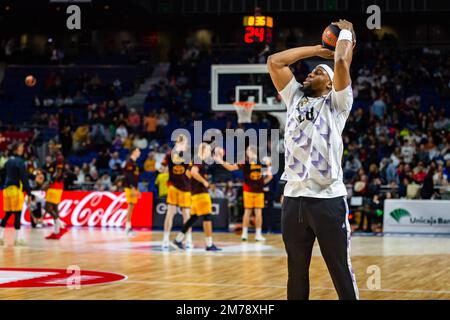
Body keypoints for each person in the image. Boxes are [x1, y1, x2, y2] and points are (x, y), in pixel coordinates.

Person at [267, 19, 359, 299]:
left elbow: (342, 61)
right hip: (293, 198)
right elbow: (275, 61)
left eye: (317, 72)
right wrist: (316, 51)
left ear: (330, 83)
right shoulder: (295, 97)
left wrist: (346, 33)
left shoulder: (338, 104)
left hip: (328, 198)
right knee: (296, 271)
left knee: (340, 271)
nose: (308, 74)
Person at [214, 145, 272, 242]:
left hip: (251, 190)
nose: (247, 153)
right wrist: (262, 183)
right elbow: (269, 176)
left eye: (248, 151)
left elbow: (231, 168)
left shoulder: (248, 162)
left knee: (249, 212)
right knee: (256, 213)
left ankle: (246, 234)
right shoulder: (260, 162)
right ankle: (256, 234)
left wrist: (221, 161)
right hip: (254, 191)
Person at [172, 143, 221, 251]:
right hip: (201, 194)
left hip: (194, 193)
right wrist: (204, 182)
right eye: (208, 150)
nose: (209, 152)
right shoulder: (199, 160)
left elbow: (187, 173)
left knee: (193, 218)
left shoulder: (194, 160)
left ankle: (178, 240)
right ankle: (209, 244)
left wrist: (193, 183)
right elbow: (193, 172)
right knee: (207, 217)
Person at [161, 134, 192, 249]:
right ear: (176, 143)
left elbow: (190, 172)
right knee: (170, 213)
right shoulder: (169, 155)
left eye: (184, 143)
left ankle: (188, 239)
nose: (183, 145)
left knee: (186, 215)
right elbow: (162, 169)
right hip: (173, 187)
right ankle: (165, 239)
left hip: (186, 188)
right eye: (180, 143)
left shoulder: (188, 156)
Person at [0, 142, 32, 246]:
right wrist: (28, 192)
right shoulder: (20, 162)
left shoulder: (7, 161)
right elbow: (24, 178)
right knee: (17, 214)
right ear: (16, 149)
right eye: (21, 147)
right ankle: (18, 239)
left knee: (8, 214)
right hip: (16, 191)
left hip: (6, 191)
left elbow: (2, 175)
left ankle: (0, 237)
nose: (22, 148)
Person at [44, 140, 68, 240]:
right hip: (58, 184)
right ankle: (56, 231)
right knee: (54, 209)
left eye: (51, 145)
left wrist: (49, 183)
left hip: (56, 185)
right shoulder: (57, 157)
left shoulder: (59, 158)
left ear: (56, 146)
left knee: (47, 207)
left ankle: (61, 225)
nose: (49, 147)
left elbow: (58, 173)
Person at [123, 147, 142, 236]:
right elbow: (128, 176)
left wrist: (136, 188)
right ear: (134, 152)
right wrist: (133, 188)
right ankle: (127, 227)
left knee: (131, 207)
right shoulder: (129, 162)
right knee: (130, 207)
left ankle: (129, 227)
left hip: (133, 187)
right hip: (130, 187)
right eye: (138, 151)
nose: (139, 152)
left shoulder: (133, 162)